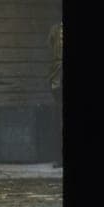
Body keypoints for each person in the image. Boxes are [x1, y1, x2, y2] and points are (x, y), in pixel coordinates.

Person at [48, 20, 63, 168]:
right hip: (58, 79)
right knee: (59, 120)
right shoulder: (55, 29)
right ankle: (60, 158)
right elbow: (51, 48)